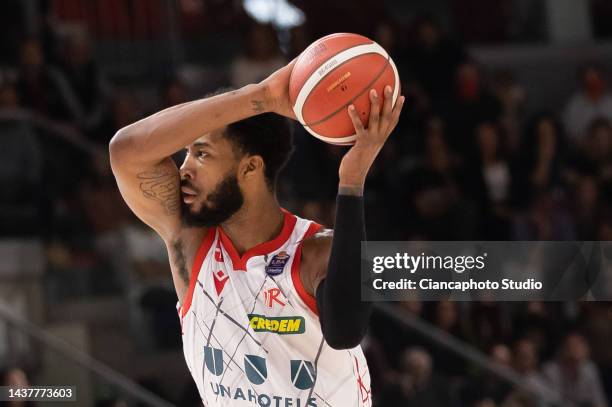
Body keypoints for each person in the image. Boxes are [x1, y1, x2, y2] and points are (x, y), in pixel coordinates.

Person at [109, 60, 404, 406]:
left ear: (251, 167)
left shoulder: (316, 251)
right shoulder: (191, 242)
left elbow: (345, 333)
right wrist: (258, 96)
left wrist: (351, 183)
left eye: (201, 153)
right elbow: (124, 152)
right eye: (186, 152)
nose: (184, 168)